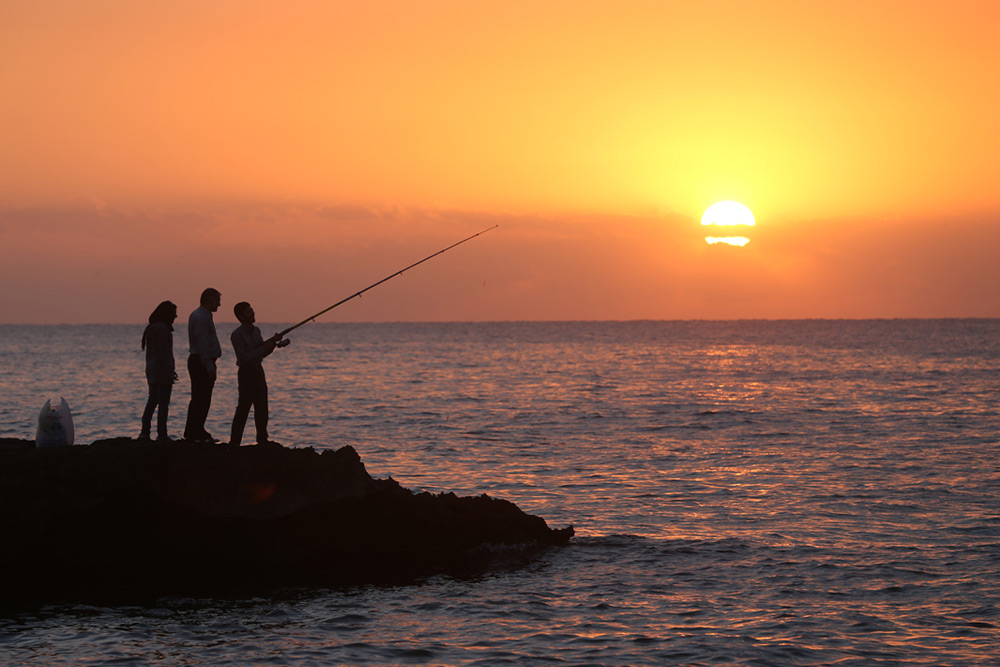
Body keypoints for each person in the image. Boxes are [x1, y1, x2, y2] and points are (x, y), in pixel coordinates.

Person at [229, 301, 287, 446]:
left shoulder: (257, 331)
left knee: (262, 406)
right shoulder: (236, 335)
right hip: (246, 373)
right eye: (248, 312)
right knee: (243, 408)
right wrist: (264, 348)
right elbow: (242, 357)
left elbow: (262, 353)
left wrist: (273, 344)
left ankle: (262, 439)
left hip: (258, 370)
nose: (252, 313)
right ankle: (234, 442)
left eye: (252, 310)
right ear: (241, 317)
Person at [183, 288, 222, 443]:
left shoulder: (202, 315)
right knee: (201, 398)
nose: (219, 304)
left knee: (201, 398)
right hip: (201, 362)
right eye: (217, 301)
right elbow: (202, 342)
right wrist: (209, 366)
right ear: (210, 300)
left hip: (202, 361)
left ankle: (197, 429)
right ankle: (194, 432)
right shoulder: (201, 317)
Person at [140, 301, 178, 441]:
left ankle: (145, 432)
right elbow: (164, 353)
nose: (175, 316)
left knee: (152, 401)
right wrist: (170, 370)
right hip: (162, 371)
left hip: (152, 370)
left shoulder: (152, 328)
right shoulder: (162, 329)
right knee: (163, 404)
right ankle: (162, 434)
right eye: (173, 313)